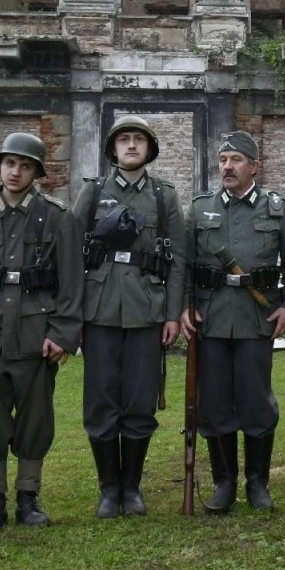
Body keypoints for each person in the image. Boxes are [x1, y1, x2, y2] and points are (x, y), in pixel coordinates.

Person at [0, 132, 81, 535]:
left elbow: (72, 283)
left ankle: (28, 497)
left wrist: (62, 333)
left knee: (35, 422)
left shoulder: (58, 217)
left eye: (25, 166)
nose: (16, 172)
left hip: (35, 336)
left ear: (37, 173)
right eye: (10, 163)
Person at [71, 115, 187, 518]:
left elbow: (179, 259)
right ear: (113, 149)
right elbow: (71, 253)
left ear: (149, 149)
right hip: (99, 310)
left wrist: (173, 314)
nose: (132, 146)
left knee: (139, 401)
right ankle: (108, 489)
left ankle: (132, 487)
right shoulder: (93, 192)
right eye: (124, 140)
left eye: (139, 139)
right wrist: (75, 316)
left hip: (146, 309)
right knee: (101, 401)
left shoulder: (163, 196)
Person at [182, 131, 285, 513]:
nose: (227, 167)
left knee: (256, 401)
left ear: (254, 166)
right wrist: (184, 307)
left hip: (255, 318)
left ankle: (257, 483)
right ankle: (223, 483)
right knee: (213, 402)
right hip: (211, 318)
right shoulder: (200, 209)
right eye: (223, 160)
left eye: (236, 160)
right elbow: (184, 265)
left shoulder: (277, 209)